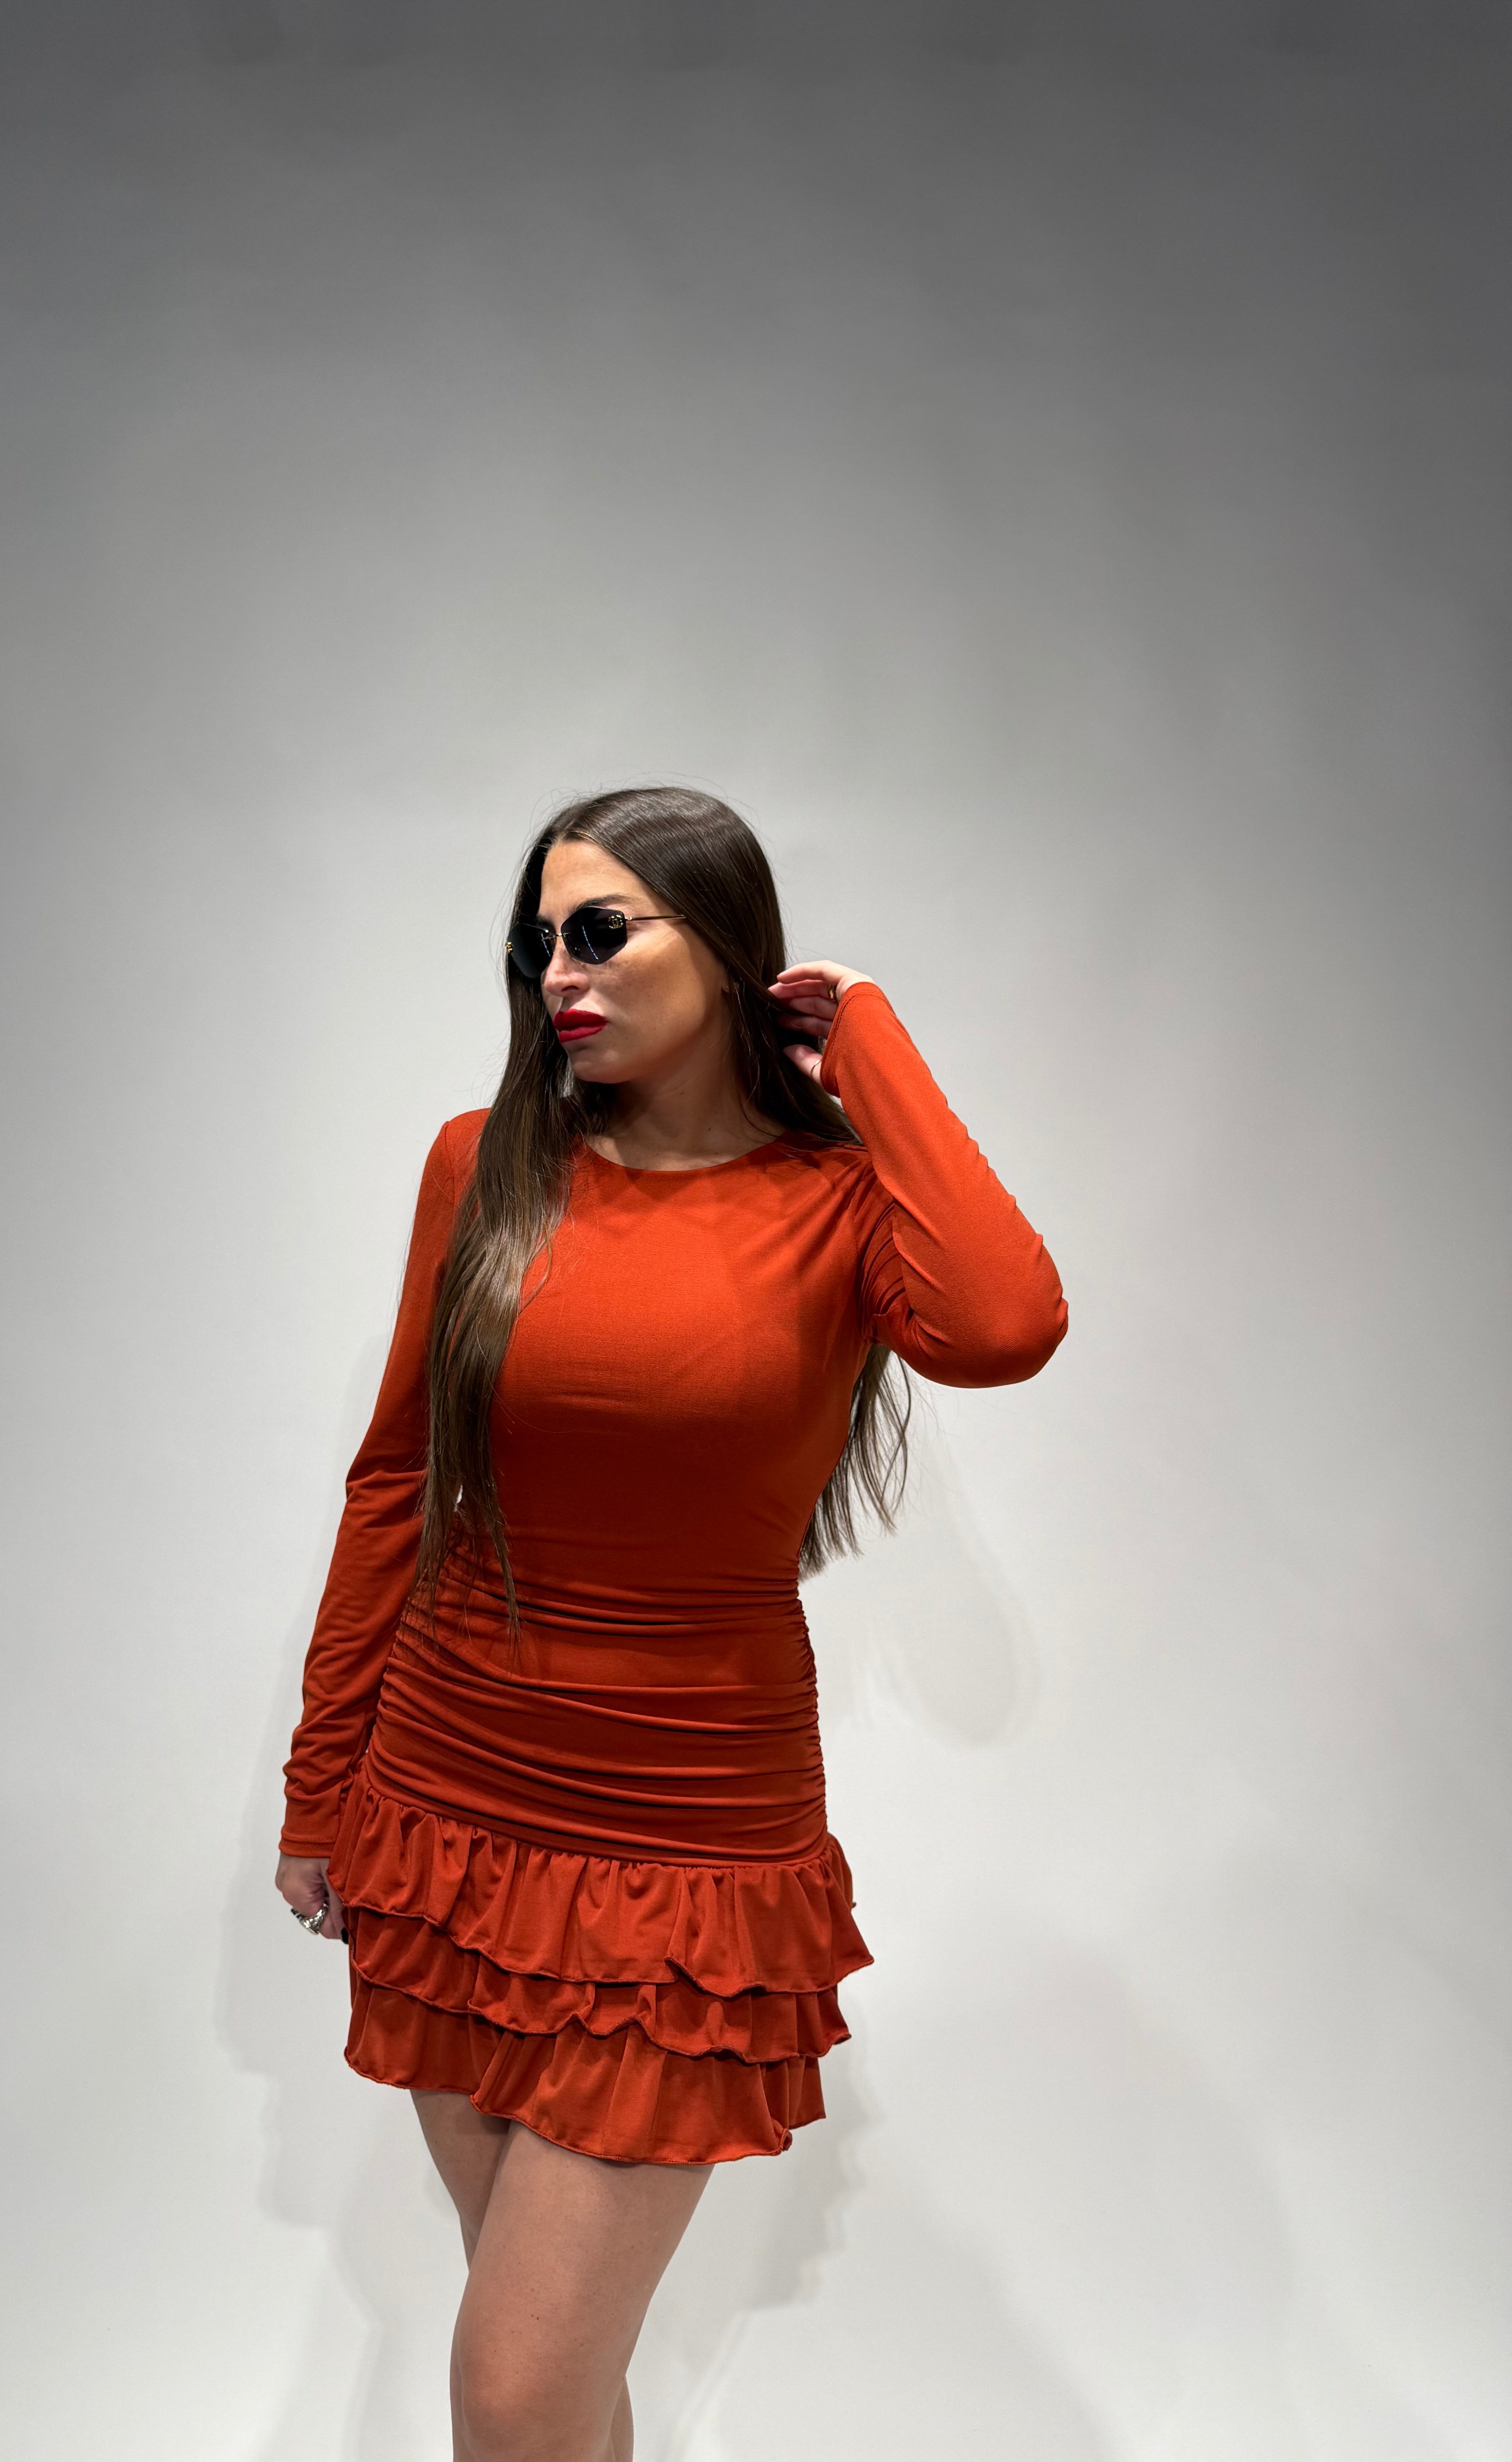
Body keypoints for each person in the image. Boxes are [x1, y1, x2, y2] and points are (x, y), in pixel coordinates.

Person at [274, 785, 1068, 2462]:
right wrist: (320, 1788)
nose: (558, 974)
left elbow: (1004, 1325)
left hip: (685, 1852)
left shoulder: (840, 1206)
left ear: (723, 947)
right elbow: (397, 1484)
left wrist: (865, 1037)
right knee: (550, 2388)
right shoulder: (482, 1166)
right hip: (447, 1815)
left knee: (513, 2391)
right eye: (537, 945)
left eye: (600, 931)